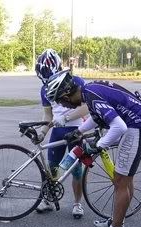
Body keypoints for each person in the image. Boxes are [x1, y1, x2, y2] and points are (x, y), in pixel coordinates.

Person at [46, 70, 141, 227]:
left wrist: (97, 146)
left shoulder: (91, 95)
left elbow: (118, 127)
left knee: (120, 181)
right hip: (139, 127)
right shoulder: (89, 91)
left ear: (66, 95)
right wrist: (78, 131)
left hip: (136, 129)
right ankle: (117, 221)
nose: (64, 106)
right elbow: (97, 117)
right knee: (125, 181)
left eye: (61, 101)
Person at [34, 49, 89, 218]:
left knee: (77, 170)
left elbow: (86, 107)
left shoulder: (76, 81)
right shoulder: (44, 90)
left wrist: (66, 118)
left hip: (76, 130)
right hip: (57, 131)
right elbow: (48, 115)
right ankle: (49, 200)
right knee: (52, 168)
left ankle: (77, 203)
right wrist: (43, 132)